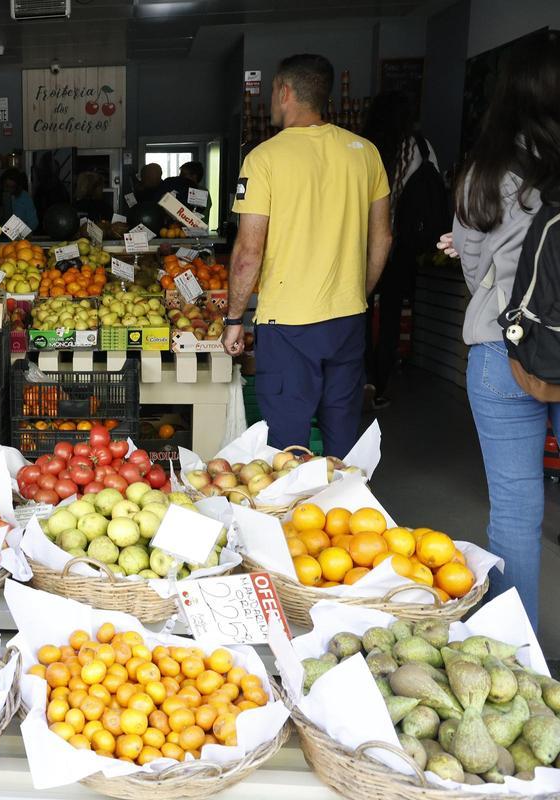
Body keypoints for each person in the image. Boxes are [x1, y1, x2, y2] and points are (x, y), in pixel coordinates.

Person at [438, 32, 560, 629]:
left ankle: (520, 653)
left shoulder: (486, 172)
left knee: (514, 511)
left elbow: (470, 264)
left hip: (503, 349)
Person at [222, 53, 392, 458]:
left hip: (288, 324)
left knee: (289, 443)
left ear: (284, 91)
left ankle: (294, 516)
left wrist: (233, 319)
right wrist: (356, 291)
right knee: (342, 437)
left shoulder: (263, 159)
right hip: (348, 319)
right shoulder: (365, 153)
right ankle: (341, 514)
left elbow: (249, 251)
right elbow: (382, 238)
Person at [360, 91, 444, 409]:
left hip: (365, 244)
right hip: (403, 245)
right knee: (393, 314)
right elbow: (434, 190)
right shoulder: (420, 148)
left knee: (361, 311)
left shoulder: (363, 147)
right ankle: (381, 383)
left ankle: (364, 375)